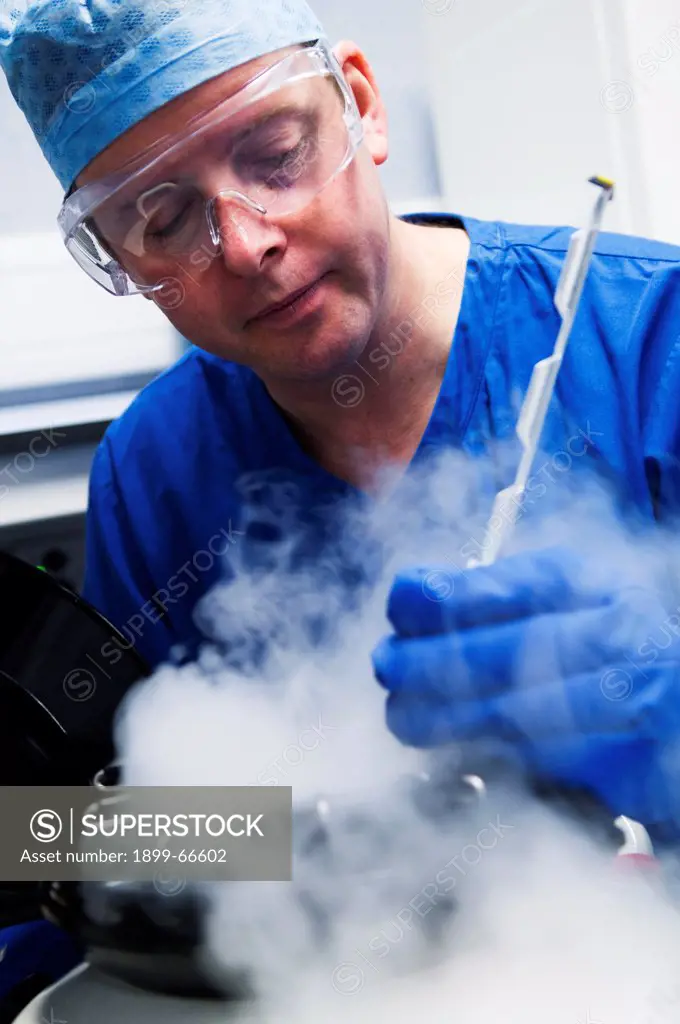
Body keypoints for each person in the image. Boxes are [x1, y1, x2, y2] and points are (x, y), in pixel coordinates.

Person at [3, 0, 680, 1003]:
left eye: (273, 154)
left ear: (358, 104)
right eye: (160, 219)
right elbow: (150, 839)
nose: (241, 244)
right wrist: (42, 837)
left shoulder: (645, 343)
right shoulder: (154, 465)